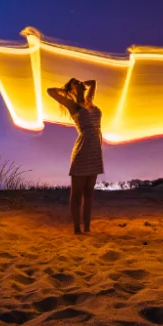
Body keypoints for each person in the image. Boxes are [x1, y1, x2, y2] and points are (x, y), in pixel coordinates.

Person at [47, 78, 104, 234]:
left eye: (79, 81)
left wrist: (85, 84)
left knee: (89, 194)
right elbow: (50, 91)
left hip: (95, 152)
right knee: (77, 192)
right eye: (75, 82)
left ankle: (87, 227)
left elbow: (93, 83)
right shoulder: (73, 105)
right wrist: (66, 90)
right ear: (72, 89)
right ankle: (77, 229)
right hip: (82, 150)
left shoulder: (89, 102)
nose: (79, 82)